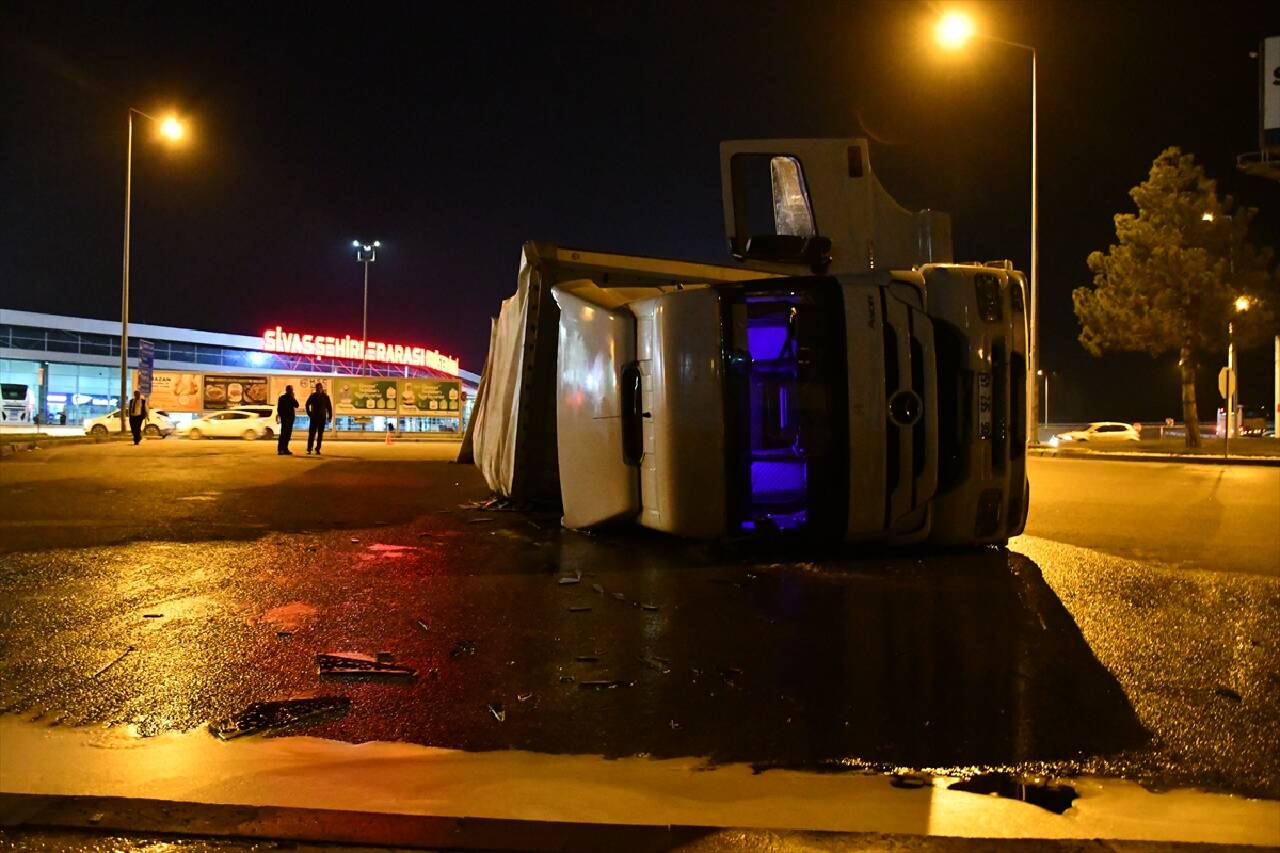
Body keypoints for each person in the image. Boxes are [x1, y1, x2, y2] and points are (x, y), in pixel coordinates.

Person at [305, 381, 332, 455]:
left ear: (322, 388)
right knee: (311, 434)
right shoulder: (313, 396)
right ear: (316, 389)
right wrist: (309, 413)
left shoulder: (326, 397)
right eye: (317, 388)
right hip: (314, 417)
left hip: (322, 418)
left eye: (320, 388)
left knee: (320, 434)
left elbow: (329, 407)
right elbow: (307, 404)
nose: (319, 389)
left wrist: (330, 416)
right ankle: (309, 448)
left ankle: (318, 448)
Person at [276, 384, 299, 455]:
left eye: (292, 390)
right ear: (288, 390)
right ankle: (281, 449)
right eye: (291, 389)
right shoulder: (283, 398)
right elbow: (279, 408)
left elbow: (296, 405)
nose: (292, 391)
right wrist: (280, 415)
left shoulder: (289, 398)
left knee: (287, 434)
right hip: (286, 418)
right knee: (284, 434)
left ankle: (285, 449)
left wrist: (293, 397)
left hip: (290, 418)